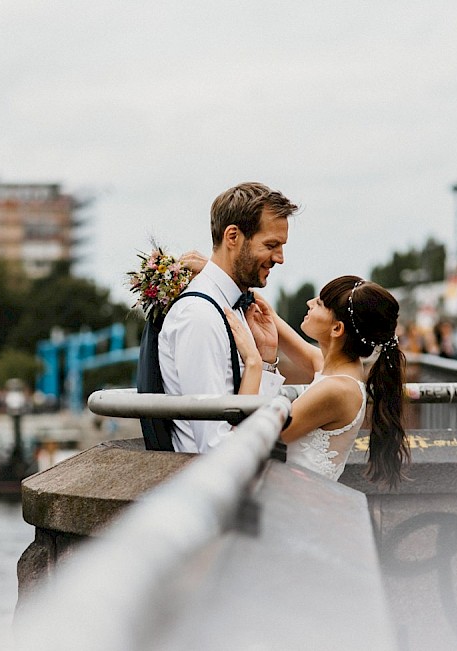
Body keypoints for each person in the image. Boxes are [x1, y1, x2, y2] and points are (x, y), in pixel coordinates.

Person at [159, 182, 299, 453]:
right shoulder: (200, 317)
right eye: (271, 245)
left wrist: (266, 360)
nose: (280, 258)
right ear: (232, 237)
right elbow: (213, 444)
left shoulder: (232, 306)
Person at [230, 276, 409, 488]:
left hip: (294, 507)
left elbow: (247, 442)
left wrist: (254, 362)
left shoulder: (337, 390)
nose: (309, 302)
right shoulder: (340, 369)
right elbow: (271, 315)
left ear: (337, 329)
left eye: (320, 303)